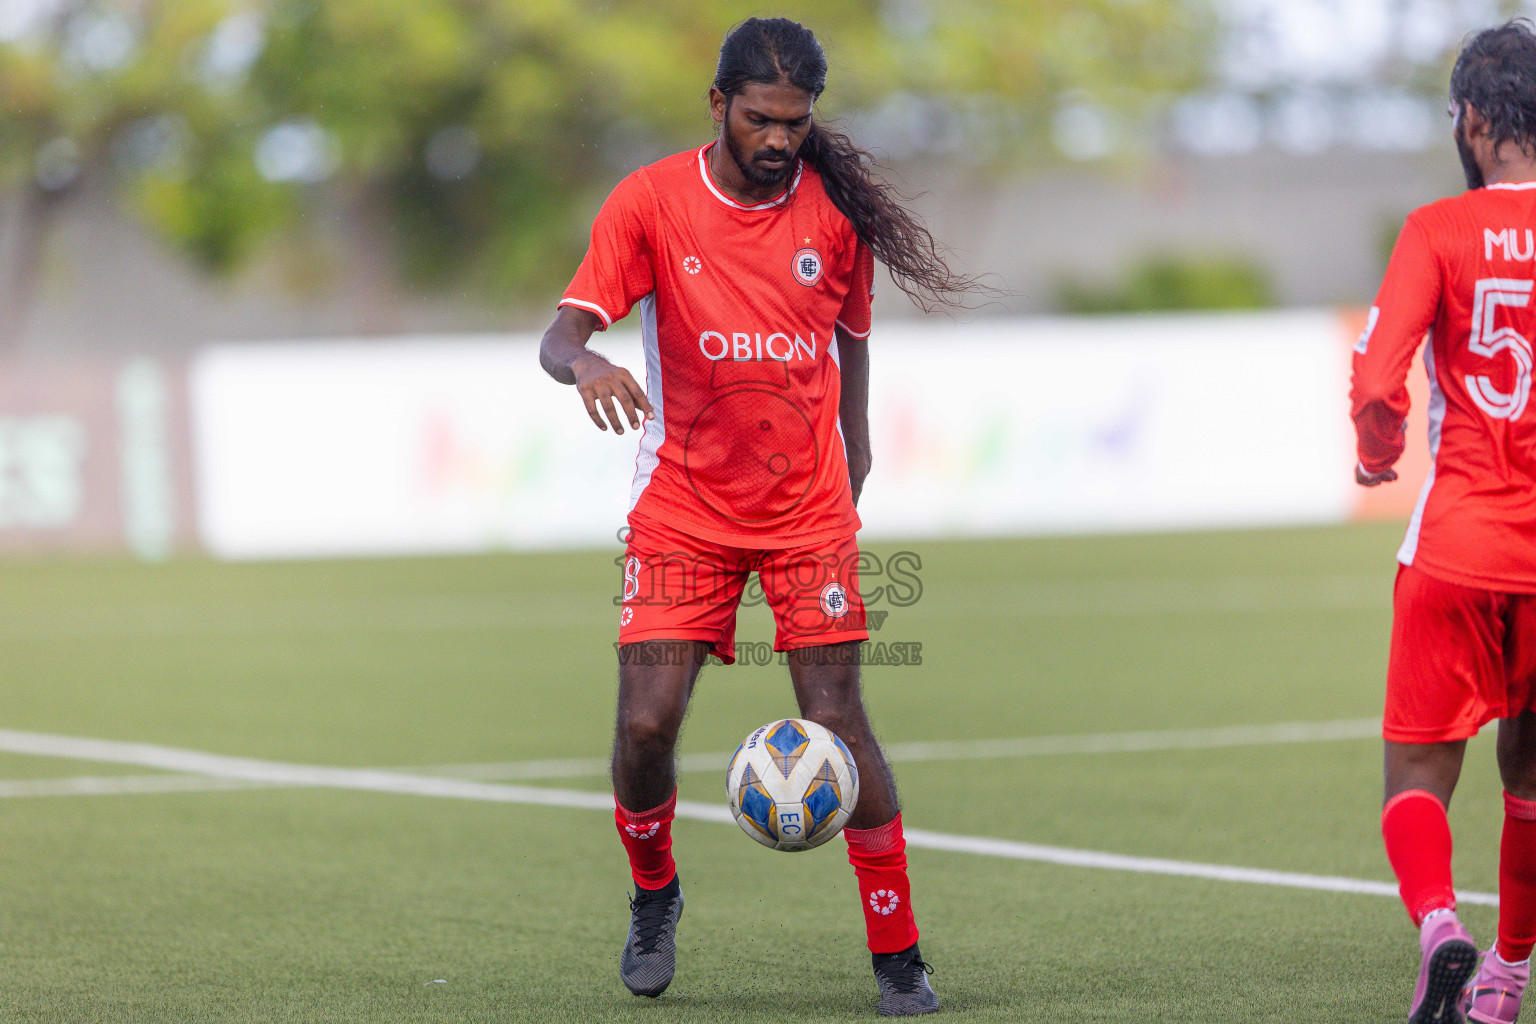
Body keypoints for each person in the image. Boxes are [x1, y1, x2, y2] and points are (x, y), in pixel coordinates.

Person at [538, 16, 973, 1017]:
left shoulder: (834, 213)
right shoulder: (649, 203)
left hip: (805, 510)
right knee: (646, 724)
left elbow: (852, 337)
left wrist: (855, 446)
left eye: (796, 121)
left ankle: (899, 954)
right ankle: (655, 896)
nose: (780, 139)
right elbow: (560, 339)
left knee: (840, 720)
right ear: (719, 107)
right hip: (683, 510)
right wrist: (590, 362)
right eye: (761, 119)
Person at [1352, 19, 1536, 1024]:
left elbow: (1379, 378)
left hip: (1461, 540)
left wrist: (1377, 456)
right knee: (1533, 776)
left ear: (1472, 119)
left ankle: (1441, 929)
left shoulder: (1439, 227)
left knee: (1415, 767)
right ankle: (1507, 977)